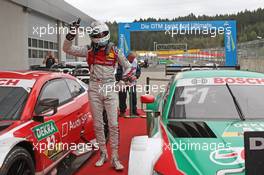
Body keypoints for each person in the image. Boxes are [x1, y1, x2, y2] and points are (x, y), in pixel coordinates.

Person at [63, 20, 132, 171]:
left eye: (102, 33)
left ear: (106, 33)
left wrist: (123, 81)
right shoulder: (88, 50)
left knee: (113, 124)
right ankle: (103, 154)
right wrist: (72, 32)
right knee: (97, 124)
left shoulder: (115, 50)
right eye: (97, 34)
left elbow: (128, 67)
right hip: (94, 87)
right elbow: (66, 48)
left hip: (109, 86)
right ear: (93, 36)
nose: (100, 36)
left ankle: (115, 157)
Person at [117, 52, 141, 117]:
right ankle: (122, 112)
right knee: (122, 97)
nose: (133, 60)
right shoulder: (122, 62)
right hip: (123, 83)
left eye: (134, 58)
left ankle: (134, 111)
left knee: (133, 97)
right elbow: (118, 73)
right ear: (128, 57)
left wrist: (136, 76)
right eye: (131, 58)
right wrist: (124, 80)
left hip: (132, 83)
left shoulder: (135, 62)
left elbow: (138, 71)